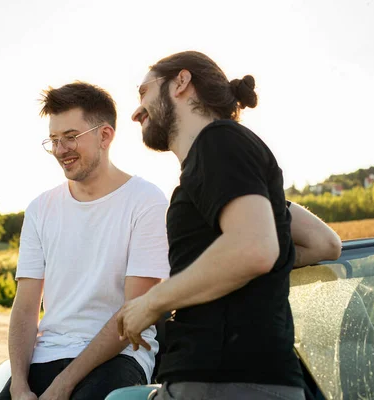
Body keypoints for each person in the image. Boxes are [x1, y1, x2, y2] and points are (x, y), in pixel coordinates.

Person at [116, 51, 342, 400]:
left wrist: (151, 304)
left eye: (143, 92)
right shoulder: (222, 159)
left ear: (181, 82)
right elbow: (323, 243)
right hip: (248, 380)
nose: (136, 111)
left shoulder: (218, 141)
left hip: (222, 381)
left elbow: (253, 247)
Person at [3, 82, 170, 400]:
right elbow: (25, 308)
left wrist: (63, 385)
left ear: (105, 135)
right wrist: (19, 386)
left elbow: (133, 312)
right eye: (53, 140)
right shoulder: (41, 209)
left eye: (70, 137)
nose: (60, 149)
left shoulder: (146, 201)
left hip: (120, 358)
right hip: (47, 355)